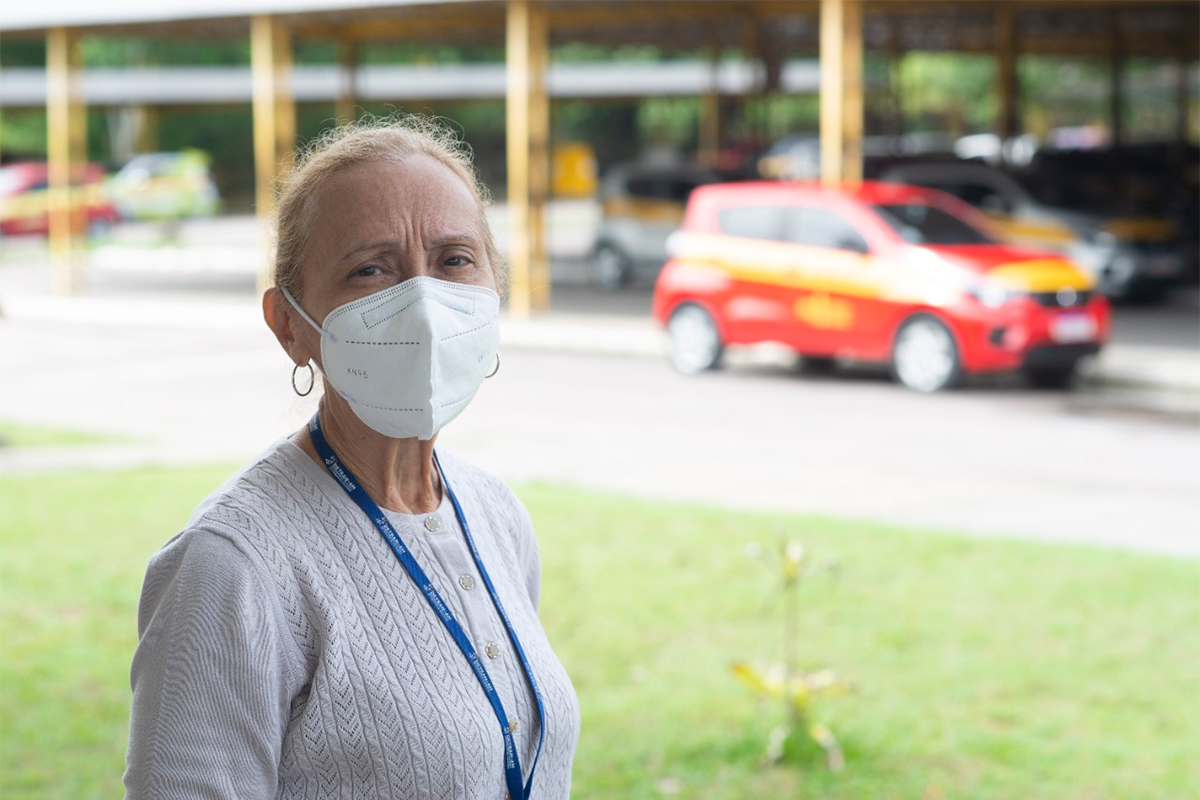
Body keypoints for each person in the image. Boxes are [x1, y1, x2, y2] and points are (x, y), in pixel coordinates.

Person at [124, 116, 580, 799]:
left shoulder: (495, 514)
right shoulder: (233, 565)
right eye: (371, 269)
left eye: (455, 260)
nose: (424, 305)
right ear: (289, 326)